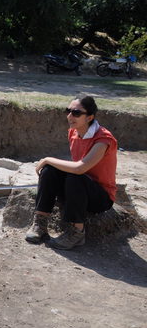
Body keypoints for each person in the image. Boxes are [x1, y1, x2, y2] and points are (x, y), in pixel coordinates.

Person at [25, 95, 118, 250]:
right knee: (49, 170)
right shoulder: (73, 133)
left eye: (76, 113)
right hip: (78, 191)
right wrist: (49, 164)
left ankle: (77, 233)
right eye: (68, 111)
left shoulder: (103, 139)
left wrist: (47, 159)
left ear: (89, 117)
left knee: (75, 176)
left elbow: (80, 168)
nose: (69, 116)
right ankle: (40, 222)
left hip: (100, 197)